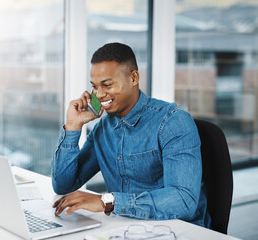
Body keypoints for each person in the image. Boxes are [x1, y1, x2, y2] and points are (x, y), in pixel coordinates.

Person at [51, 42, 211, 228]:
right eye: (94, 87)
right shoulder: (103, 129)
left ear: (134, 78)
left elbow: (184, 200)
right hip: (126, 228)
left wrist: (107, 202)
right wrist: (72, 126)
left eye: (107, 85)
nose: (99, 94)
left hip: (177, 230)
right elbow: (63, 185)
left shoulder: (172, 122)